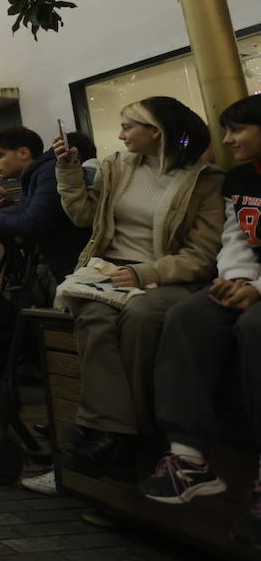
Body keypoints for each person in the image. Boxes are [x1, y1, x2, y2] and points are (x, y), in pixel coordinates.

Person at [53, 96, 223, 476]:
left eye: (128, 126)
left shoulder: (203, 180)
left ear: (155, 132)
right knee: (93, 315)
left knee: (141, 315)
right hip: (109, 271)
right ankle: (115, 431)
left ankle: (120, 434)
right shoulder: (117, 167)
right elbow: (83, 216)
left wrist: (147, 274)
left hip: (166, 276)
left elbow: (202, 255)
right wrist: (68, 170)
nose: (120, 134)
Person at [140, 93, 261, 548]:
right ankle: (188, 458)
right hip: (249, 282)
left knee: (255, 326)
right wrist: (234, 280)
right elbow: (236, 237)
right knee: (187, 314)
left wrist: (257, 290)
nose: (227, 140)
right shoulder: (240, 178)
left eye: (237, 130)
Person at [0, 126, 90, 282]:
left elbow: (31, 222)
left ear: (23, 153)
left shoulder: (48, 173)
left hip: (76, 268)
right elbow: (23, 209)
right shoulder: (37, 175)